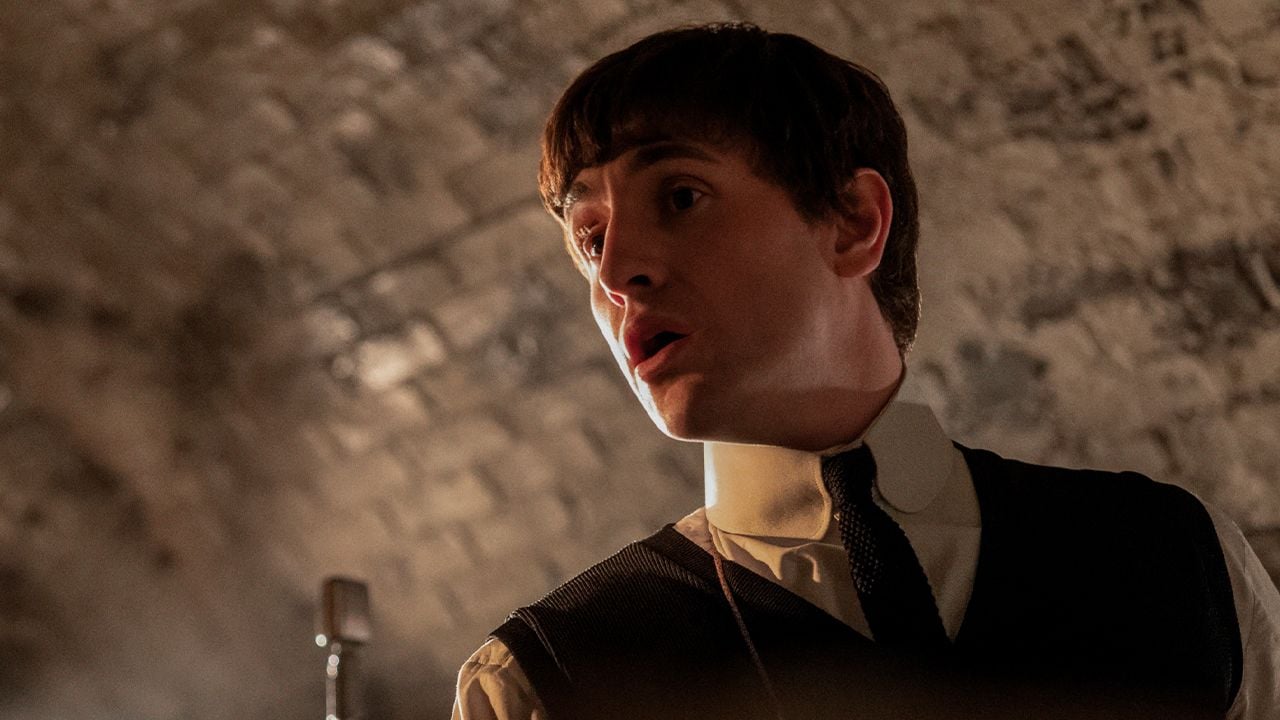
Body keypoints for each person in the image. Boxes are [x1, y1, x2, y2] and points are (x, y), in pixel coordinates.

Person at [452, 22, 1280, 720]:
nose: (615, 271)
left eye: (679, 197)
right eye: (591, 238)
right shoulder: (545, 681)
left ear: (853, 222)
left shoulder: (1183, 561)